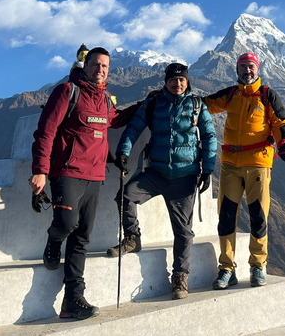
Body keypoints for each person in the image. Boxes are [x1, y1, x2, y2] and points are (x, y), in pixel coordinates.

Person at [30, 47, 139, 319]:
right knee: (66, 225)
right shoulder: (67, 91)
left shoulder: (105, 99)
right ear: (85, 64)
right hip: (66, 172)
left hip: (96, 176)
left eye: (105, 66)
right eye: (95, 64)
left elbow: (115, 120)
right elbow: (45, 131)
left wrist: (145, 105)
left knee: (82, 238)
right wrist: (40, 170)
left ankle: (72, 299)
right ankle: (53, 240)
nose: (100, 69)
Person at [107, 63, 217, 300]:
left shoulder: (197, 105)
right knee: (126, 196)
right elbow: (134, 128)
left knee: (183, 231)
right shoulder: (154, 103)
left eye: (182, 80)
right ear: (165, 82)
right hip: (155, 174)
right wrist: (123, 152)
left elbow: (209, 136)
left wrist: (207, 170)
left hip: (185, 177)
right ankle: (133, 238)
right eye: (173, 80)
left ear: (187, 82)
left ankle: (180, 276)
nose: (177, 84)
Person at [204, 52, 285, 289]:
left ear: (258, 69)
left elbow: (281, 122)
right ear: (237, 70)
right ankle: (226, 268)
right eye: (243, 67)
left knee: (258, 216)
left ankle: (258, 265)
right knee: (226, 217)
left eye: (251, 67)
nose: (247, 71)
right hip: (230, 164)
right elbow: (206, 105)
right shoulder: (231, 94)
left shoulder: (267, 95)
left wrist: (284, 143)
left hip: (258, 163)